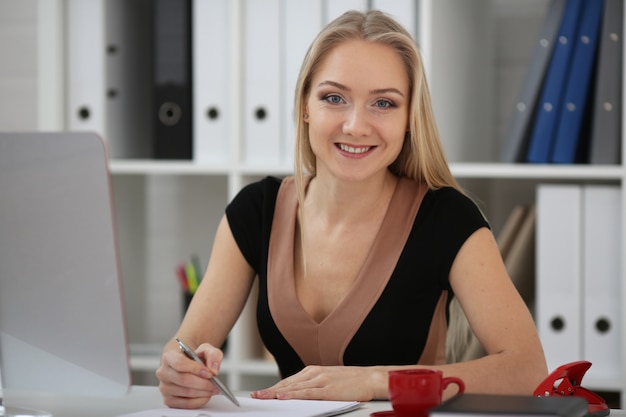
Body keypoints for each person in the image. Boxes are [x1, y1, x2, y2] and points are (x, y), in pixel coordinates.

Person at [156, 9, 548, 409]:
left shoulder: (447, 218)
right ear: (306, 106)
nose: (356, 125)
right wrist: (179, 371)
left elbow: (526, 369)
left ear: (409, 118)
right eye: (334, 98)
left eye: (383, 103)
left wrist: (374, 381)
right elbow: (185, 347)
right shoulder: (256, 211)